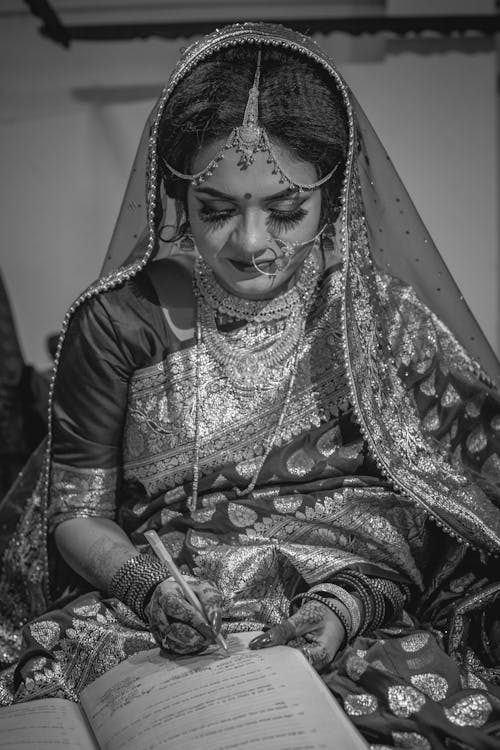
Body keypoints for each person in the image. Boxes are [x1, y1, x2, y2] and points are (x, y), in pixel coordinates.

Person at [1, 21, 500, 748]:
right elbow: (76, 513)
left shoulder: (380, 321)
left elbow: (441, 513)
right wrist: (149, 587)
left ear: (335, 199)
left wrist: (348, 604)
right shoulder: (118, 321)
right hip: (159, 610)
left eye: (286, 210)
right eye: (216, 209)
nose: (251, 242)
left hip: (341, 608)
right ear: (175, 198)